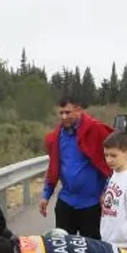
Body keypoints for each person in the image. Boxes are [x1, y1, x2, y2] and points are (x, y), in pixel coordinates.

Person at [38, 96, 113, 238]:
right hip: (66, 202)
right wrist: (46, 196)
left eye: (68, 112)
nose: (64, 117)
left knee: (92, 251)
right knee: (62, 249)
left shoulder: (96, 129)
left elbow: (113, 161)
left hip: (92, 204)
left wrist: (107, 190)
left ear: (78, 110)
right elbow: (53, 167)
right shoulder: (57, 136)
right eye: (61, 113)